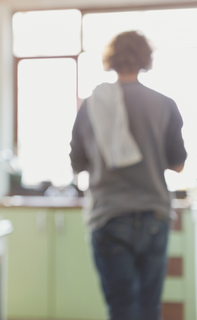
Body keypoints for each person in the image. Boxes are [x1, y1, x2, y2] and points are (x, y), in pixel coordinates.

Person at [70, 30, 187, 320]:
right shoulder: (164, 103)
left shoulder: (92, 105)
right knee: (149, 308)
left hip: (108, 216)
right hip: (154, 215)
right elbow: (178, 164)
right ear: (146, 59)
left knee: (121, 310)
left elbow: (77, 163)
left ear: (111, 59)